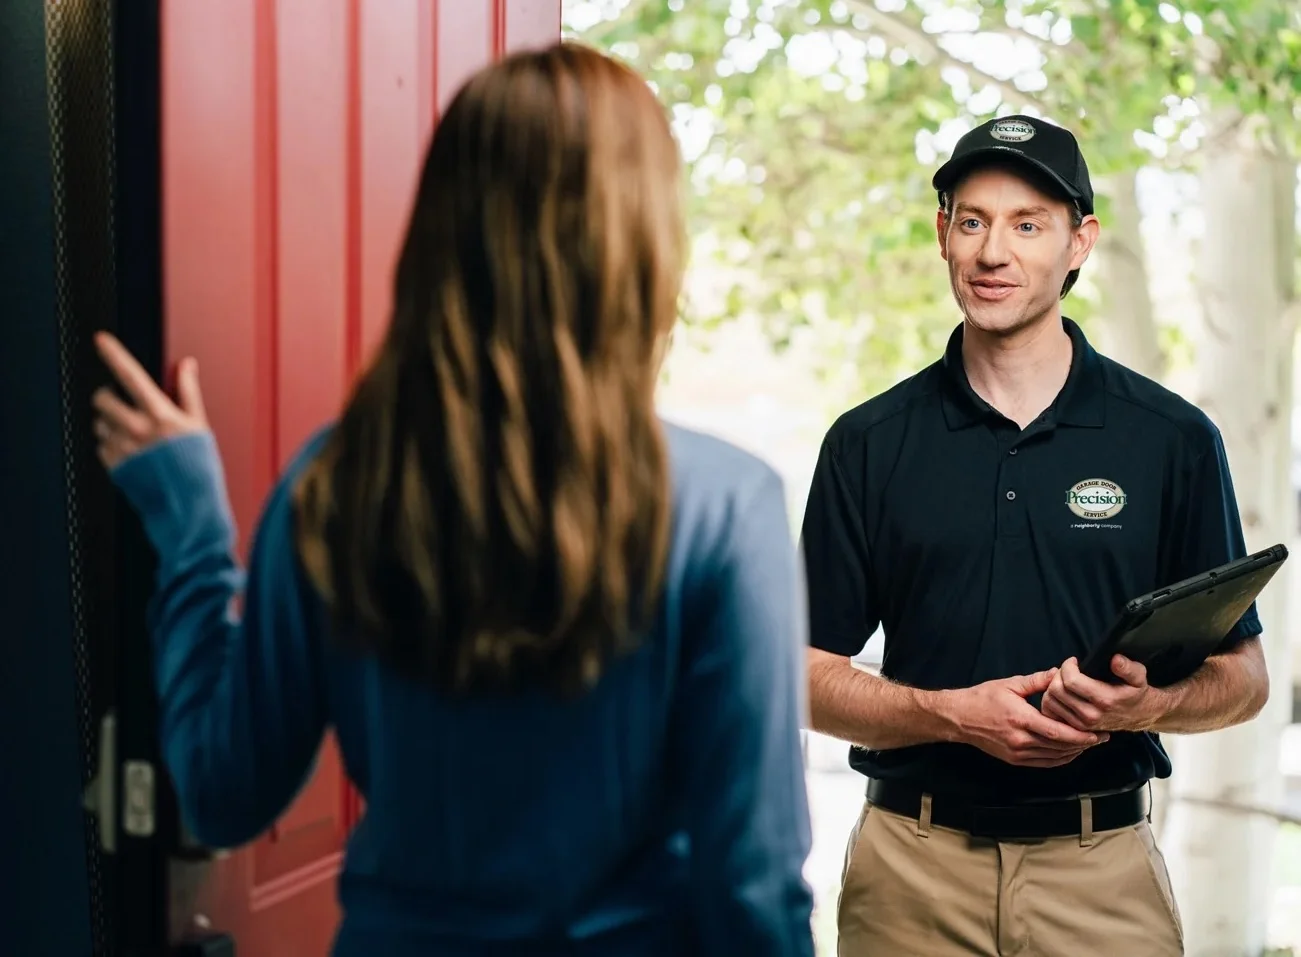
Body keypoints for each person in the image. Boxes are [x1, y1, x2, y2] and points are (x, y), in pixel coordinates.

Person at [89, 42, 815, 957]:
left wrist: (192, 528)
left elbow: (221, 793)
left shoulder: (336, 485)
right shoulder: (727, 506)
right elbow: (751, 890)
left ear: (443, 229)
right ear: (641, 238)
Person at [801, 113, 1271, 956]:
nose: (993, 253)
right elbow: (797, 675)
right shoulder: (867, 442)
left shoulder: (1170, 439)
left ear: (1079, 242)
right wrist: (945, 714)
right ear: (941, 231)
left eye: (1028, 225)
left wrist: (1151, 704)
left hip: (1101, 871)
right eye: (973, 220)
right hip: (909, 872)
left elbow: (1243, 677)